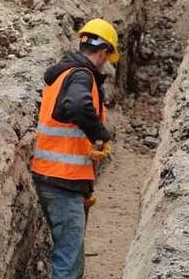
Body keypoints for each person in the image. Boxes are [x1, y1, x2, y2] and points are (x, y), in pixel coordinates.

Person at [30, 19, 119, 279]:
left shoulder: (65, 74)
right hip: (62, 180)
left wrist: (85, 187)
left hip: (58, 177)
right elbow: (78, 106)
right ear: (103, 53)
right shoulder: (81, 75)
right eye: (107, 57)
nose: (106, 62)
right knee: (68, 259)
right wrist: (99, 135)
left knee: (71, 252)